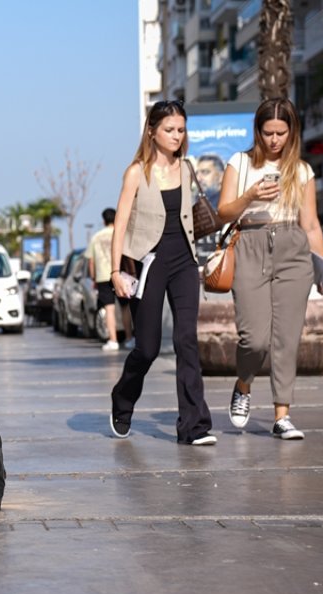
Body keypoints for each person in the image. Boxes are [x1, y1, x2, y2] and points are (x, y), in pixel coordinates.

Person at [216, 98, 323, 441]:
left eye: (281, 132)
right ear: (258, 131)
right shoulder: (240, 162)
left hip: (293, 249)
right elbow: (223, 212)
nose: (275, 140)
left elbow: (310, 223)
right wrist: (250, 195)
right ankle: (244, 383)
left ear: (291, 132)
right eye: (268, 133)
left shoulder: (303, 170)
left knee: (287, 338)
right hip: (250, 243)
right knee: (255, 339)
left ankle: (282, 414)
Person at [109, 99, 216, 446]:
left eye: (181, 130)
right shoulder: (136, 172)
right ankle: (122, 401)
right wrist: (114, 271)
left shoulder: (186, 168)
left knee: (187, 340)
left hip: (184, 261)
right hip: (148, 264)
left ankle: (194, 425)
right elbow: (121, 224)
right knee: (148, 348)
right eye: (169, 130)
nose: (176, 136)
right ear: (152, 132)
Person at [85, 207, 134, 351]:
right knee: (125, 307)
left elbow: (91, 261)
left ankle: (113, 340)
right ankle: (130, 338)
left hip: (102, 276)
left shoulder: (96, 237)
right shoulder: (121, 233)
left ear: (103, 220)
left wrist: (93, 277)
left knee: (109, 309)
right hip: (121, 274)